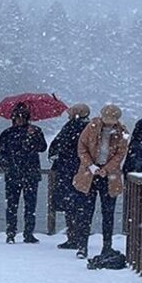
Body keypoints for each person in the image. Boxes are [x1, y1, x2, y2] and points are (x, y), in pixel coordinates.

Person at [72, 104, 128, 258]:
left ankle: (107, 246)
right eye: (108, 119)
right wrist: (91, 166)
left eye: (113, 119)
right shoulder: (91, 127)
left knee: (108, 213)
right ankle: (82, 247)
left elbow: (121, 153)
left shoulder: (122, 132)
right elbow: (81, 147)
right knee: (85, 212)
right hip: (89, 175)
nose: (110, 122)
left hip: (109, 177)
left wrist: (107, 169)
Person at [0, 102, 48, 244]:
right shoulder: (7, 134)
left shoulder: (35, 131)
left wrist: (33, 136)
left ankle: (28, 234)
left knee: (30, 206)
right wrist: (8, 167)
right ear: (12, 118)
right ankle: (10, 233)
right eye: (17, 117)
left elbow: (42, 147)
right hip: (13, 175)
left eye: (22, 116)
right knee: (12, 206)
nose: (19, 119)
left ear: (27, 117)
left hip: (31, 175)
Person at [48, 104, 92, 251]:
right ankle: (77, 237)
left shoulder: (74, 127)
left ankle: (75, 238)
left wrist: (58, 154)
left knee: (72, 205)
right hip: (78, 170)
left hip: (70, 170)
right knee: (77, 206)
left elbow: (60, 144)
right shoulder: (86, 127)